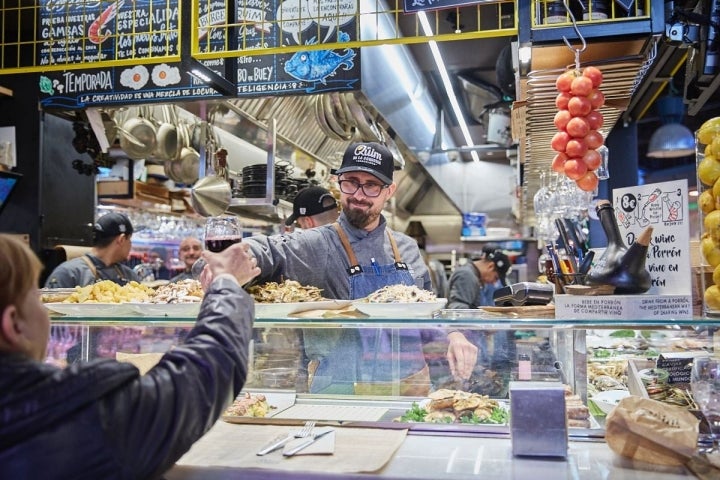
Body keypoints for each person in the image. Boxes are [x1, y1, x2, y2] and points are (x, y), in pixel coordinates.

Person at [0, 234, 260, 479]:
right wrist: (225, 283)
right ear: (13, 324)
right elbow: (204, 373)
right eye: (36, 296)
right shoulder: (83, 417)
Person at [239, 141, 477, 394]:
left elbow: (431, 312)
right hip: (341, 390)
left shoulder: (407, 248)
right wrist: (233, 259)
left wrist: (454, 334)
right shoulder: (318, 243)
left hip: (409, 386)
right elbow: (266, 250)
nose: (359, 195)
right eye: (351, 181)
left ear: (389, 191)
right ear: (339, 181)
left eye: (372, 185)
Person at [447, 247, 515, 374]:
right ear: (490, 266)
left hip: (469, 344)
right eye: (495, 277)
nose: (493, 282)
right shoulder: (466, 275)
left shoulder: (472, 275)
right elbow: (457, 309)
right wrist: (483, 326)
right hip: (463, 345)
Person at [44, 212, 140, 288]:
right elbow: (50, 309)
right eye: (130, 240)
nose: (130, 245)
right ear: (121, 239)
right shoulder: (68, 273)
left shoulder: (129, 276)